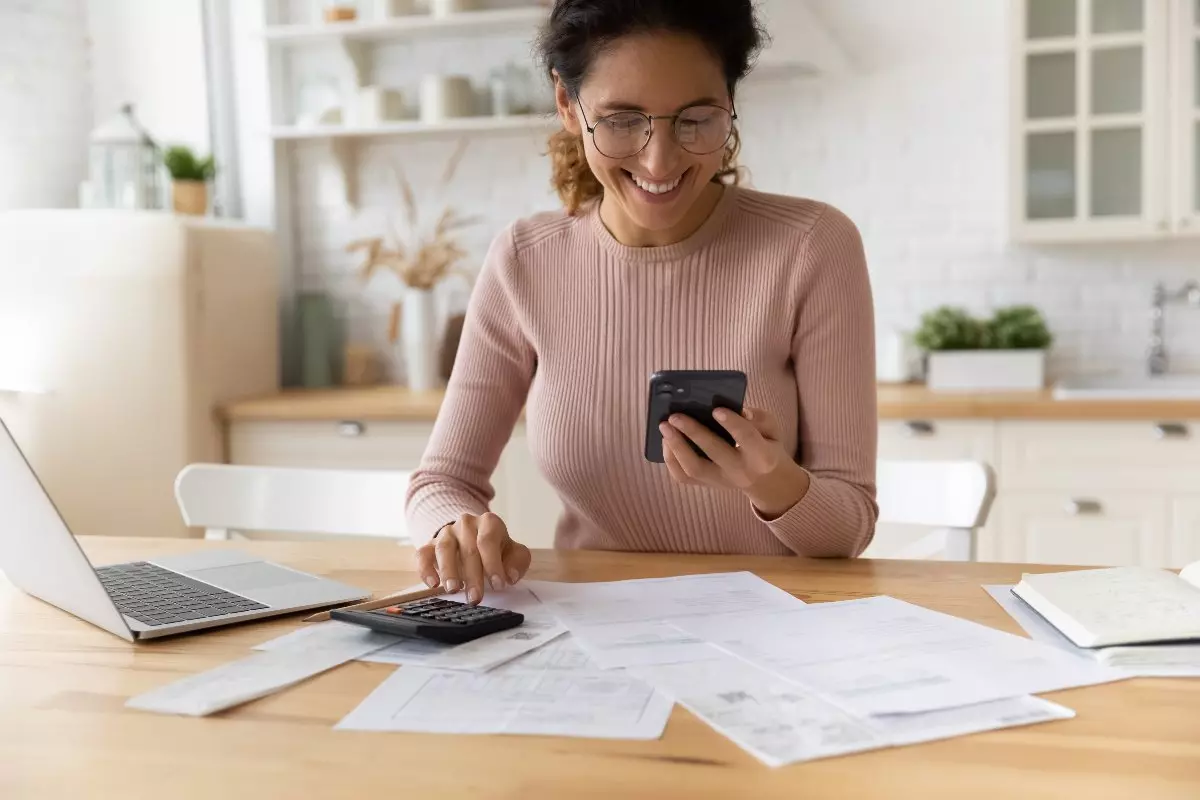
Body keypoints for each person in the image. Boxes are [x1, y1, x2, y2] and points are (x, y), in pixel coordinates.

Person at [406, 0, 878, 604]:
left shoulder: (811, 246)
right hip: (594, 627)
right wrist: (455, 528)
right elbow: (441, 482)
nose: (660, 160)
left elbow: (849, 526)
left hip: (775, 625)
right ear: (566, 106)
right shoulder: (525, 260)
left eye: (695, 119)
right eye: (622, 119)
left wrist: (774, 482)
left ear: (731, 104)